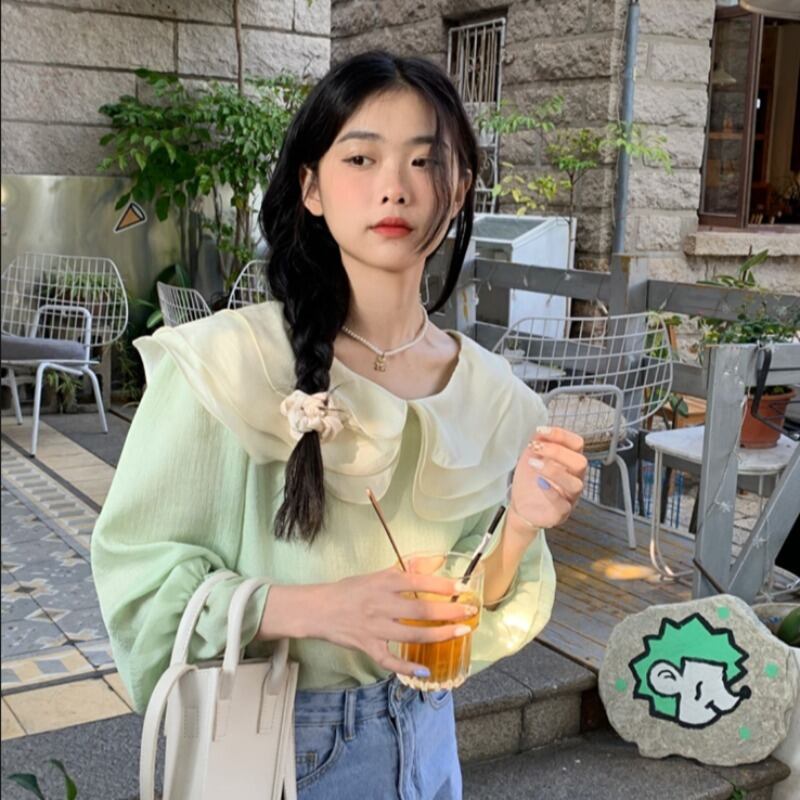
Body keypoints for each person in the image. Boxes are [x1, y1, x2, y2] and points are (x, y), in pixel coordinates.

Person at [91, 50, 587, 799]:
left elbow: (473, 599)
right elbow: (139, 579)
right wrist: (321, 609)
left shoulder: (497, 397)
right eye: (361, 157)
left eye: (425, 161)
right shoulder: (228, 363)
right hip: (279, 746)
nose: (394, 186)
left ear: (458, 189)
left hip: (430, 742)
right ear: (312, 187)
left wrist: (518, 526)